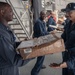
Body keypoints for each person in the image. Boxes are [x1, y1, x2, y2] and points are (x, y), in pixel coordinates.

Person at [0, 2, 33, 75]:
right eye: (10, 11)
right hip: (5, 71)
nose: (13, 13)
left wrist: (26, 44)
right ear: (2, 12)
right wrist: (34, 53)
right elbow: (15, 60)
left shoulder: (5, 29)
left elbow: (12, 44)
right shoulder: (2, 34)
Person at [49, 2, 75, 75]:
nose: (67, 14)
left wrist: (68, 64)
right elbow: (63, 39)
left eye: (70, 12)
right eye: (67, 12)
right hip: (66, 56)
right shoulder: (69, 24)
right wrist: (51, 47)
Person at [31, 10, 49, 75]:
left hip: (41, 40)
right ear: (40, 15)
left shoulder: (42, 21)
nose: (44, 16)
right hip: (39, 41)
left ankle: (40, 65)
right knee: (41, 55)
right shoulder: (38, 22)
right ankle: (34, 72)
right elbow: (42, 34)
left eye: (45, 15)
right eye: (43, 15)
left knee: (41, 56)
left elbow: (44, 30)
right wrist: (49, 33)